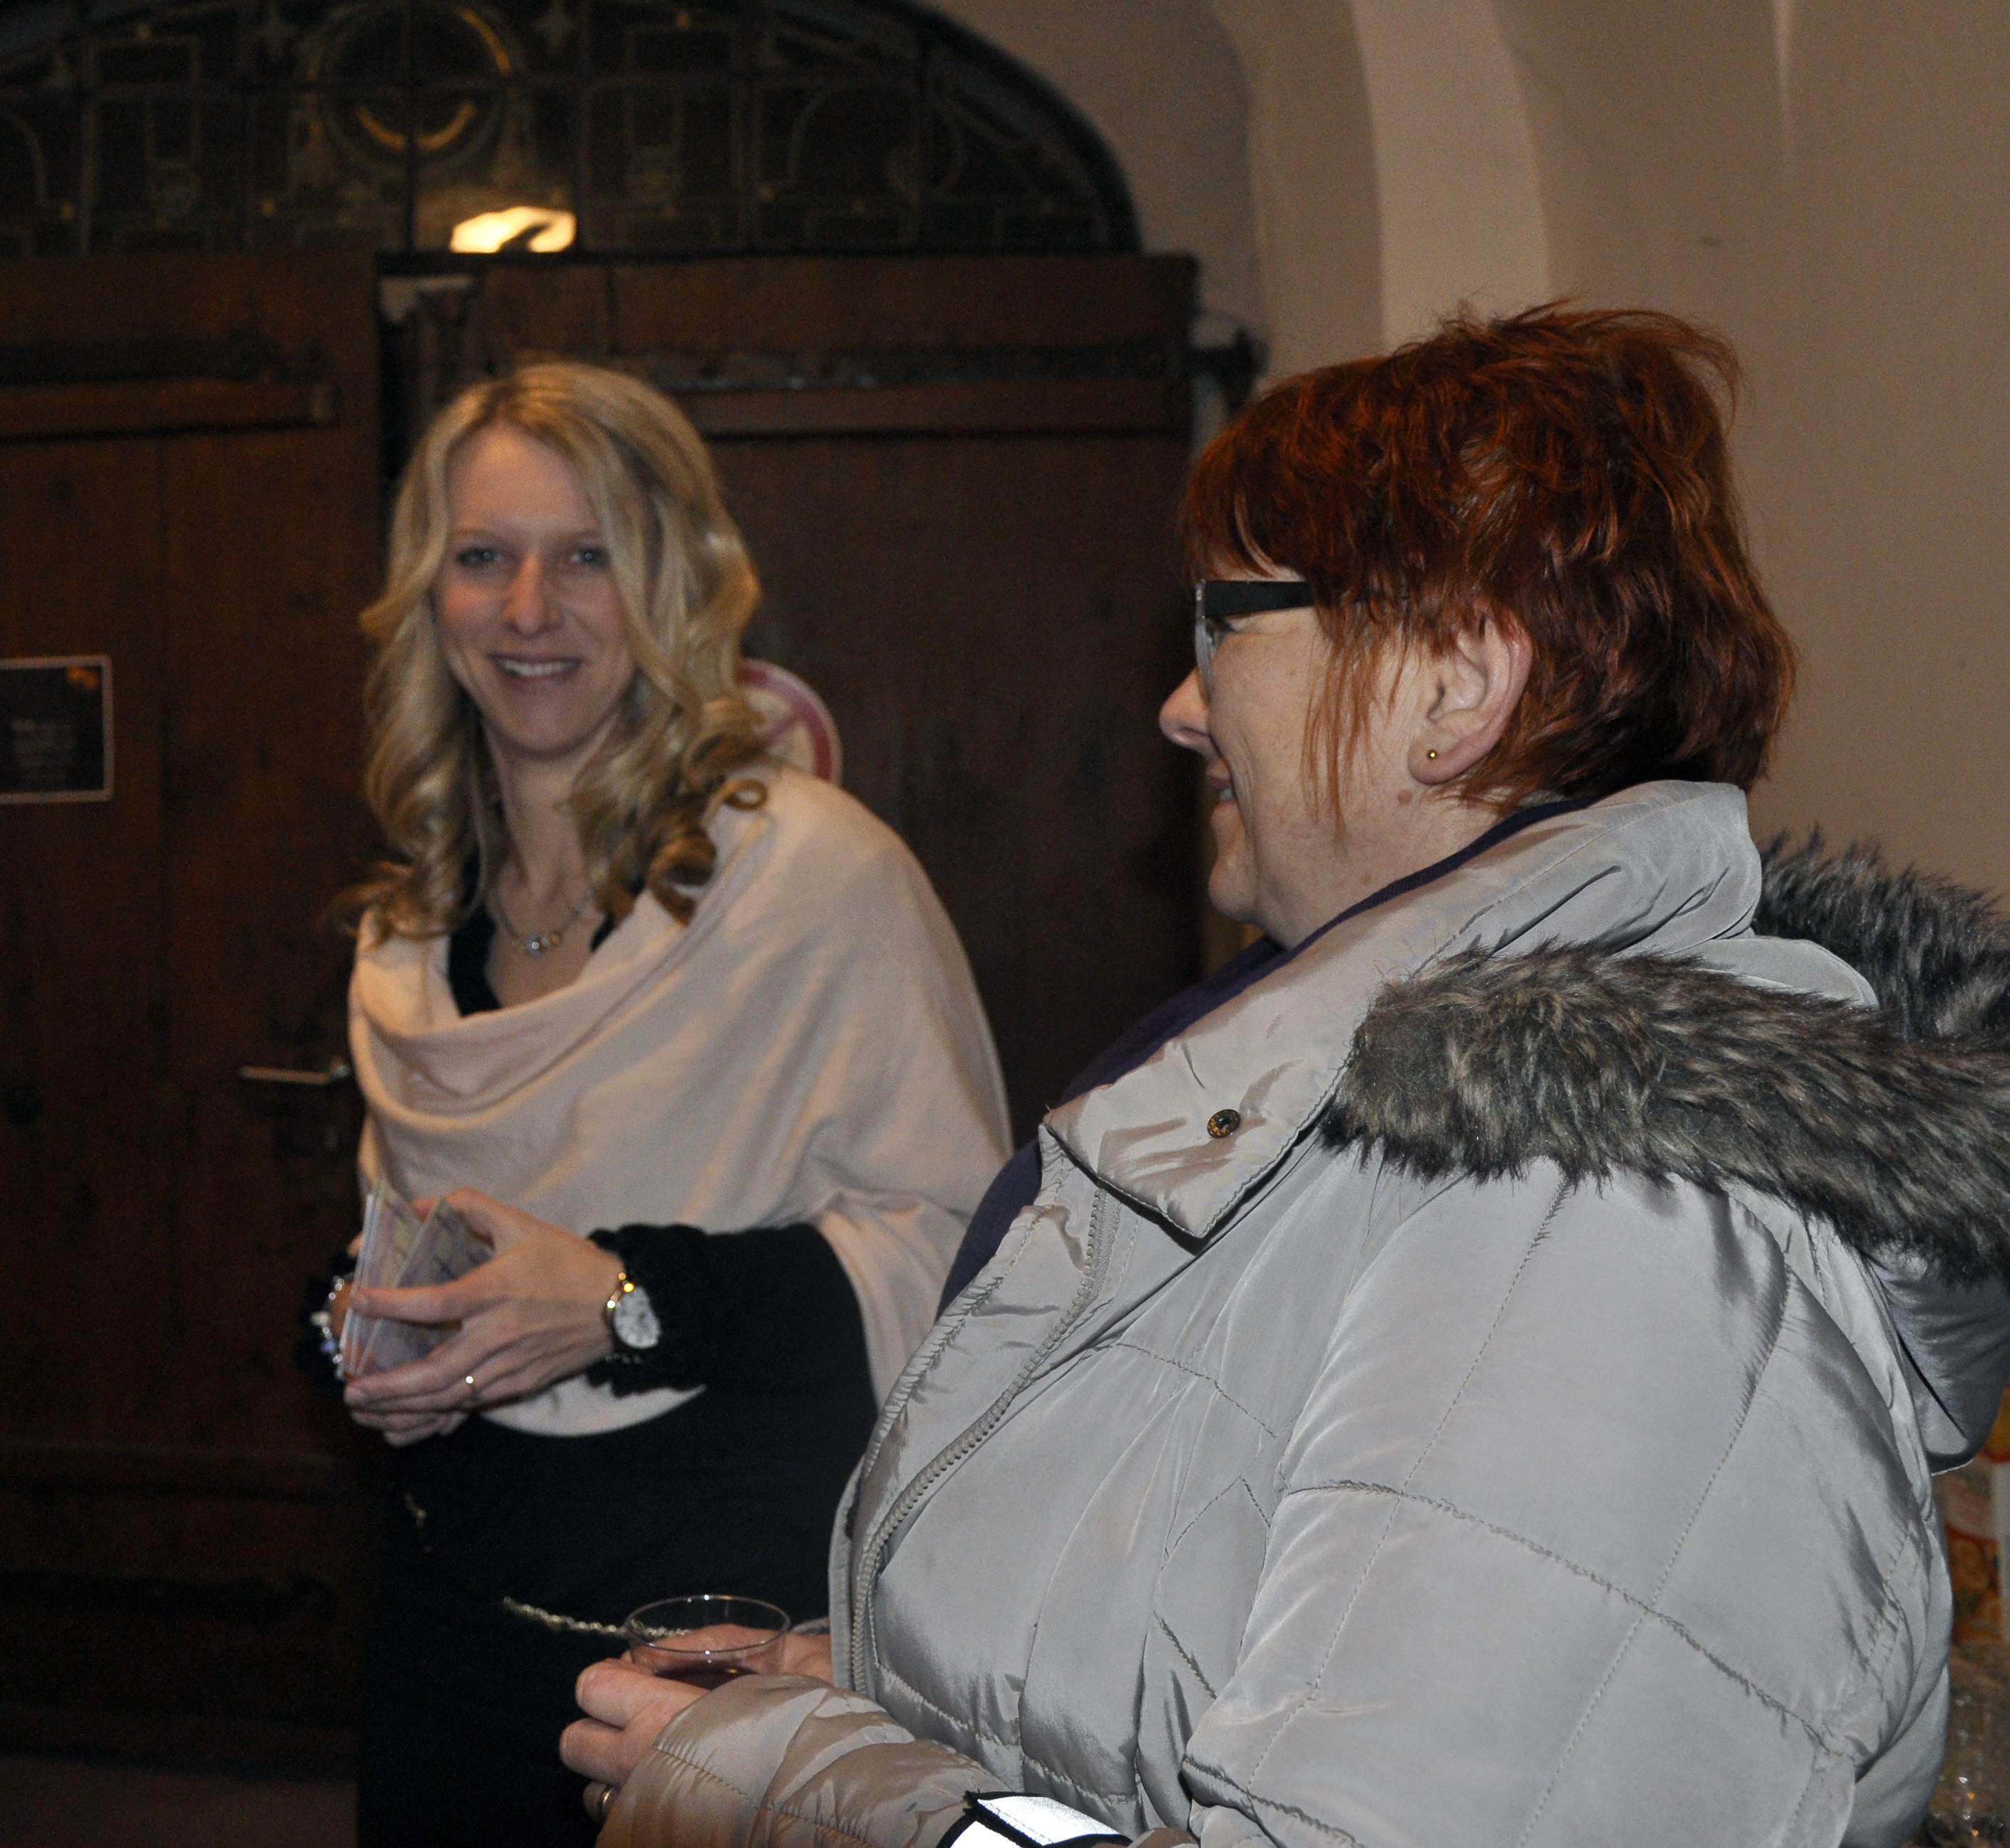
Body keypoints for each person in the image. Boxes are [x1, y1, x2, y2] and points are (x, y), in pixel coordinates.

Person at [559, 306, 2010, 1847]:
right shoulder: (1389, 1123)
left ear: (1455, 686)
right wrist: (897, 1690)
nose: (1181, 706)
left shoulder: (1607, 1227)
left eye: (1230, 624)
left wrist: (792, 1787)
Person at [319, 360, 1011, 1848]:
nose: (529, 611)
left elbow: (953, 1253)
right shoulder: (408, 927)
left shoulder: (812, 875)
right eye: (483, 556)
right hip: (453, 1610)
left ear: (671, 585)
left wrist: (630, 1300)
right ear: (428, 592)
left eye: (587, 557)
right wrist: (370, 1327)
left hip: (714, 1646)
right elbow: (419, 1228)